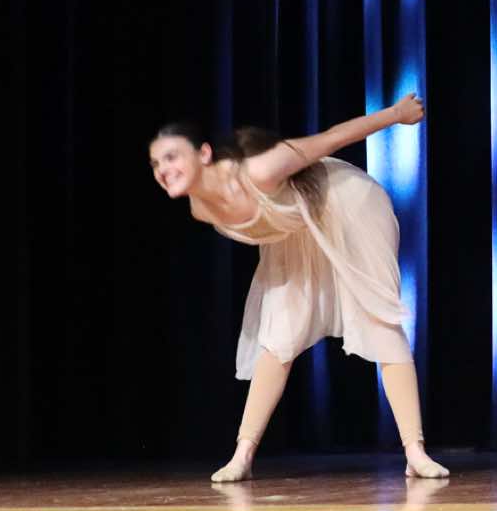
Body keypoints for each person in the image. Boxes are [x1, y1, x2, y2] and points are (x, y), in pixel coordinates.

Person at [147, 96, 448, 482]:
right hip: (295, 228)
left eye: (171, 157)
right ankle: (242, 455)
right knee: (278, 336)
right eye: (156, 163)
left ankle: (415, 452)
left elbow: (332, 138)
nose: (163, 169)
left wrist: (396, 115)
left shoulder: (259, 169)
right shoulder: (200, 208)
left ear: (204, 154)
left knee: (379, 319)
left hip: (347, 206)